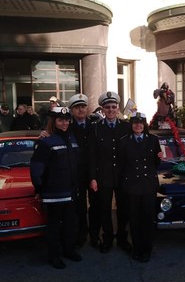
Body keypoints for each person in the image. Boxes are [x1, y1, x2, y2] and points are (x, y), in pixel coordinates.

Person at [30, 106, 82, 269]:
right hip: (53, 193)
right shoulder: (45, 142)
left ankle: (69, 250)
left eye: (67, 120)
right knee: (54, 226)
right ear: (54, 122)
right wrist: (39, 189)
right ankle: (54, 256)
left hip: (70, 191)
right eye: (61, 120)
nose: (65, 123)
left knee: (70, 224)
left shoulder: (72, 138)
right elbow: (36, 168)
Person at [89, 91, 131, 253]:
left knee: (123, 208)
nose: (111, 110)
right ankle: (107, 237)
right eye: (107, 107)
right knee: (104, 208)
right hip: (103, 176)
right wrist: (92, 177)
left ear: (118, 108)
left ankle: (122, 237)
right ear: (102, 109)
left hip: (122, 176)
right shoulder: (97, 129)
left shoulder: (126, 127)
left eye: (114, 107)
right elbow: (92, 156)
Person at [119, 112, 162, 262]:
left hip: (148, 185)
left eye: (141, 123)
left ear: (145, 125)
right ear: (131, 125)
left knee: (148, 218)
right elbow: (121, 165)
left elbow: (156, 163)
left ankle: (147, 248)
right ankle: (136, 248)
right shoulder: (124, 141)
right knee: (134, 219)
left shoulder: (153, 140)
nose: (138, 125)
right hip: (132, 186)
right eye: (135, 123)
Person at [68, 93, 93, 246]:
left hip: (93, 173)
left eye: (83, 106)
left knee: (96, 206)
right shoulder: (68, 128)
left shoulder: (95, 126)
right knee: (79, 206)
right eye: (77, 107)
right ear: (72, 110)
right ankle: (81, 235)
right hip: (76, 174)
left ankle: (96, 235)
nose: (81, 110)